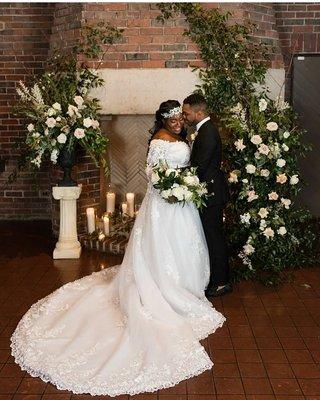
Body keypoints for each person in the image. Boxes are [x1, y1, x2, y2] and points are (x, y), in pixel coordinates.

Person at [11, 100, 225, 396]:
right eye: (172, 118)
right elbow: (152, 173)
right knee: (163, 248)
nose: (177, 121)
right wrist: (170, 185)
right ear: (162, 120)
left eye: (179, 116)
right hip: (164, 204)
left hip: (182, 204)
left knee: (186, 245)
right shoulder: (159, 141)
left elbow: (189, 164)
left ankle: (188, 287)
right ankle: (162, 288)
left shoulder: (183, 137)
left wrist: (183, 185)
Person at [183, 93, 232, 298]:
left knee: (214, 238)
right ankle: (216, 278)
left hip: (211, 194)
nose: (184, 117)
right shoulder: (203, 130)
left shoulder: (208, 132)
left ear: (199, 112)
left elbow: (200, 167)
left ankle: (221, 283)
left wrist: (179, 180)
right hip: (209, 192)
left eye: (187, 113)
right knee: (211, 237)